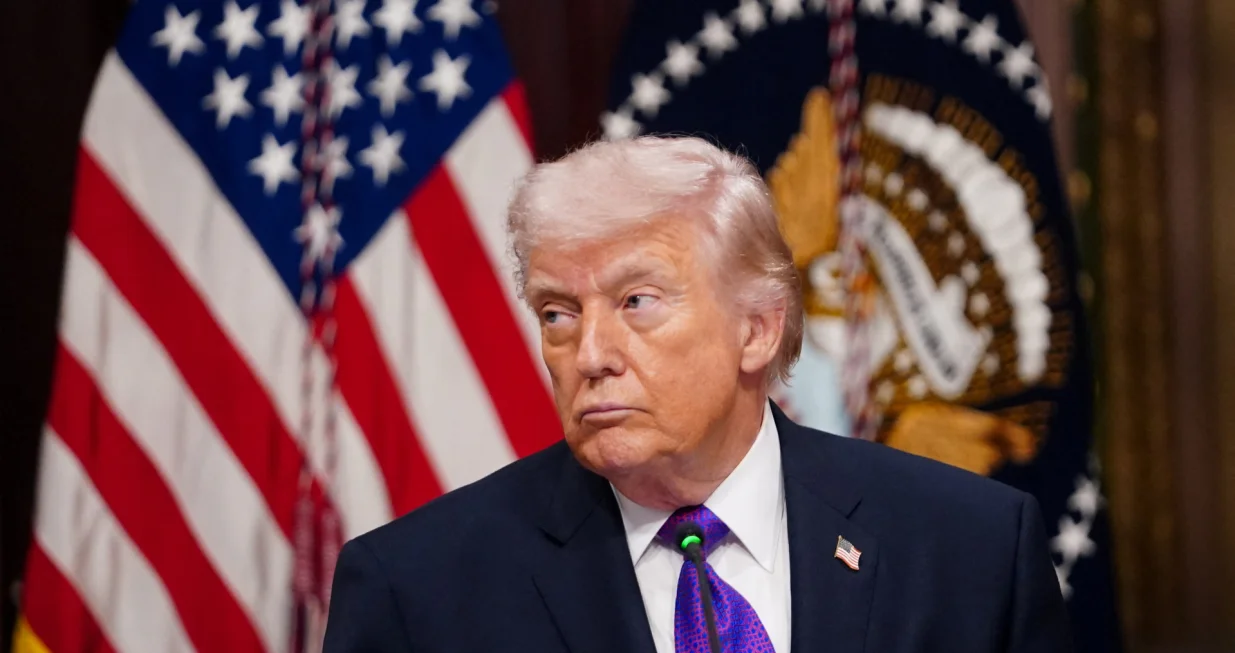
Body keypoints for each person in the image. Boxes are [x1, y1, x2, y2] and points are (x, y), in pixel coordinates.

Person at [322, 136, 1072, 653]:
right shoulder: (417, 590)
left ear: (756, 329)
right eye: (557, 312)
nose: (588, 355)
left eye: (637, 302)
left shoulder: (969, 548)